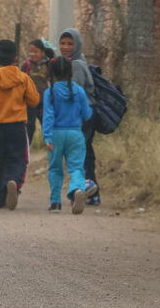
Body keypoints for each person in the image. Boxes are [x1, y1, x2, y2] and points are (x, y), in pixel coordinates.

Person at [0, 39, 40, 210]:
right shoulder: (23, 78)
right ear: (15, 58)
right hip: (17, 125)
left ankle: (2, 196)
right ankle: (15, 182)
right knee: (19, 158)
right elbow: (34, 100)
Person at [42, 57, 94, 214]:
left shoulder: (49, 92)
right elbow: (87, 114)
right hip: (75, 134)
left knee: (55, 169)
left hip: (56, 134)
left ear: (52, 73)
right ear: (71, 71)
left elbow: (48, 116)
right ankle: (77, 189)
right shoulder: (79, 91)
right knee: (76, 167)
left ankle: (55, 203)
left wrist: (47, 137)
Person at [58, 28, 100, 205]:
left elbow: (72, 94)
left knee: (76, 155)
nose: (65, 47)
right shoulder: (75, 61)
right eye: (62, 43)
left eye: (70, 43)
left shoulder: (75, 64)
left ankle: (84, 187)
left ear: (77, 45)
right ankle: (92, 193)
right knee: (85, 153)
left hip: (80, 117)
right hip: (85, 115)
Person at [20, 39, 52, 144]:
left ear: (42, 52)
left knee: (46, 124)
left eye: (35, 51)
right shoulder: (27, 65)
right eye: (31, 52)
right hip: (30, 102)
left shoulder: (48, 65)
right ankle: (26, 149)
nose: (32, 54)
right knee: (29, 126)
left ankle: (49, 145)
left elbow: (53, 80)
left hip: (44, 102)